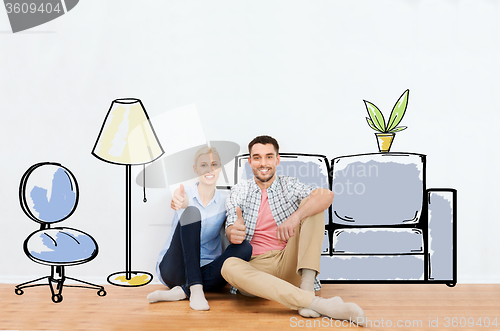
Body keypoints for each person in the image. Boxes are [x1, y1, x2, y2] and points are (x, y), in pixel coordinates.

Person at [221, 135, 365, 326]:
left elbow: (326, 195)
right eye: (257, 158)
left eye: (269, 157)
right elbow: (232, 226)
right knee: (228, 265)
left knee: (313, 202)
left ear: (277, 159)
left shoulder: (289, 184)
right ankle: (318, 303)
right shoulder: (239, 191)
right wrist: (233, 232)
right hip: (257, 268)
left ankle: (307, 285)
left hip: (288, 261)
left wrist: (295, 217)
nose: (263, 163)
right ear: (250, 161)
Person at [147, 146, 252, 311]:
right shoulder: (184, 193)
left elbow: (231, 230)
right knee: (192, 212)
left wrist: (236, 229)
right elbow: (180, 200)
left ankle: (183, 291)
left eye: (214, 164)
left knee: (245, 248)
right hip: (175, 269)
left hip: (207, 269)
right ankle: (195, 288)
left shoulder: (226, 202)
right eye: (203, 165)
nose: (209, 169)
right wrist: (181, 203)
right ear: (195, 169)